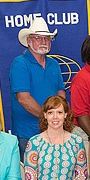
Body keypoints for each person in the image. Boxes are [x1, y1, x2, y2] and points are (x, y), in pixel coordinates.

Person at [10, 17, 66, 157]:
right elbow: (23, 99)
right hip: (28, 133)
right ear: (28, 41)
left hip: (53, 131)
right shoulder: (20, 64)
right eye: (38, 38)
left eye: (46, 38)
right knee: (31, 175)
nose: (43, 42)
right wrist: (50, 118)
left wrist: (56, 118)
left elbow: (61, 93)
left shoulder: (54, 64)